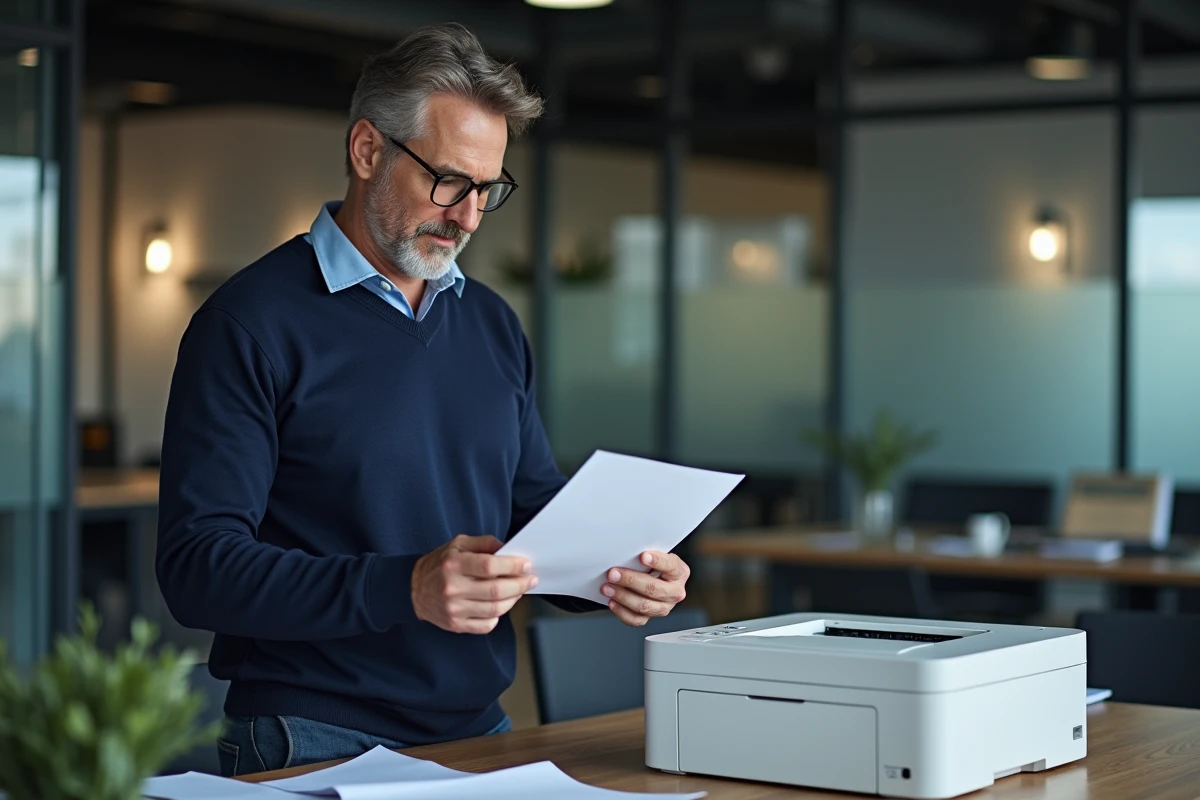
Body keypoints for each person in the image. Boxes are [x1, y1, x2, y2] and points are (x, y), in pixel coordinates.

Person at [155, 23, 691, 777]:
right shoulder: (249, 323)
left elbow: (534, 517)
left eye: (488, 190)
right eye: (449, 182)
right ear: (368, 150)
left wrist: (619, 571)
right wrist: (403, 587)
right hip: (311, 735)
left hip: (481, 731)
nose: (469, 216)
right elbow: (197, 569)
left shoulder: (492, 324)